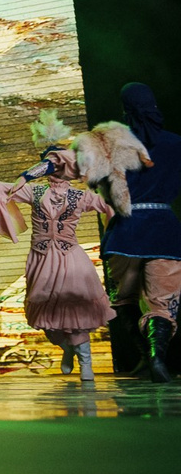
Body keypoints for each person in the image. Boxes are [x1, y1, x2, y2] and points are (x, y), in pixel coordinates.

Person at [0, 111, 123, 383]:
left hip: (70, 259)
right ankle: (67, 349)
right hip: (42, 259)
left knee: (76, 311)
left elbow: (110, 207)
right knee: (47, 317)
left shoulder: (81, 196)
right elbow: (1, 188)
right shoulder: (36, 192)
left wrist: (116, 236)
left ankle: (85, 362)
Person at [98, 84, 180, 381]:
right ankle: (157, 358)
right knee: (163, 304)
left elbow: (105, 189)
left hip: (125, 232)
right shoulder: (176, 144)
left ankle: (146, 357)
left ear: (125, 111)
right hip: (164, 233)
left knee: (124, 299)